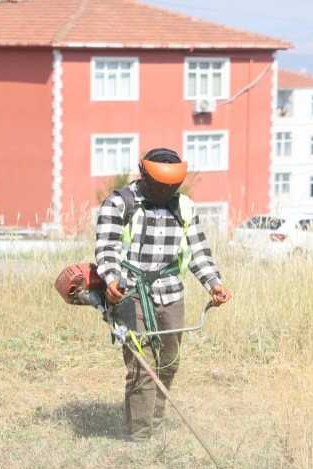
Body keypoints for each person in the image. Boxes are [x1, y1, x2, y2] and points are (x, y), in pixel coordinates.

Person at [94, 147, 232, 442]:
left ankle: (153, 422)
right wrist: (111, 280)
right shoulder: (118, 204)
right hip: (129, 292)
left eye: (172, 186)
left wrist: (213, 283)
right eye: (160, 186)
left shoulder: (185, 207)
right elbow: (106, 248)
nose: (166, 192)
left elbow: (198, 251)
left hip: (172, 294)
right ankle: (140, 438)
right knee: (142, 365)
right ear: (143, 175)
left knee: (169, 362)